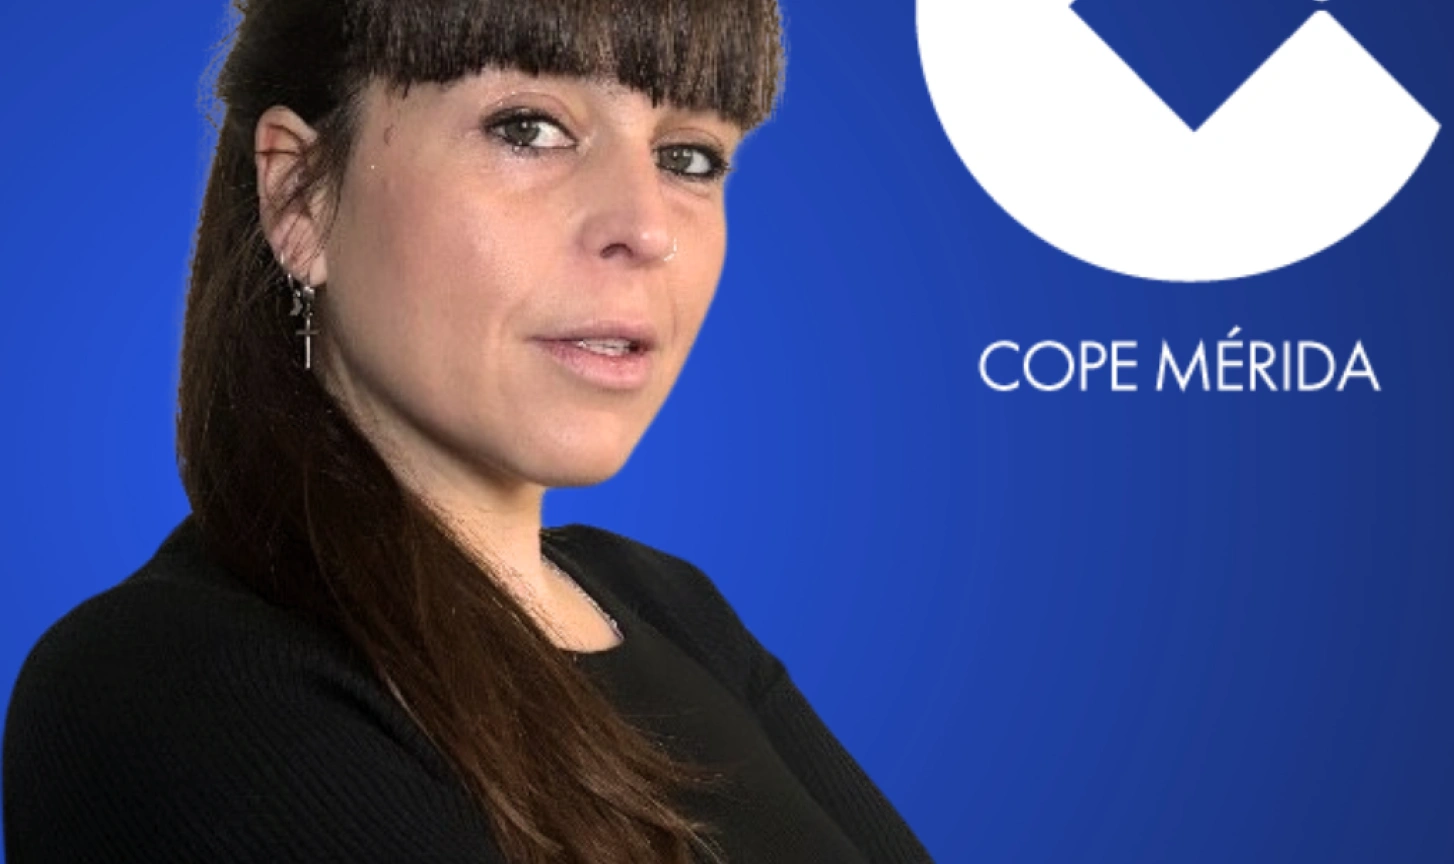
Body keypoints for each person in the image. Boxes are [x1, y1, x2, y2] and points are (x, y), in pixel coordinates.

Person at [1, 1, 935, 863]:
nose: (647, 227)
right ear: (300, 198)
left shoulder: (673, 608)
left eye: (689, 157)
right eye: (527, 128)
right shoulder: (162, 683)